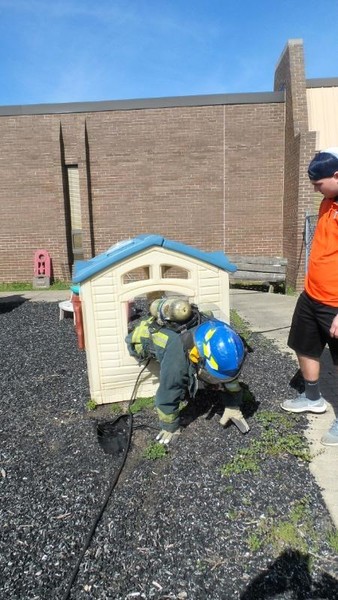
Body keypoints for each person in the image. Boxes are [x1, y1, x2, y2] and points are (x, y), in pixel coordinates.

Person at [126, 297, 249, 445]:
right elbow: (168, 391)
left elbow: (230, 376)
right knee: (175, 379)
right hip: (147, 340)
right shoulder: (178, 358)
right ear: (199, 358)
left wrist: (233, 405)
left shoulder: (224, 335)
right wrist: (170, 426)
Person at [281, 148, 338, 446]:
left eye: (319, 183)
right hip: (312, 295)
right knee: (304, 344)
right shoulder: (327, 202)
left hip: (336, 304)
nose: (316, 189)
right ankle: (313, 397)